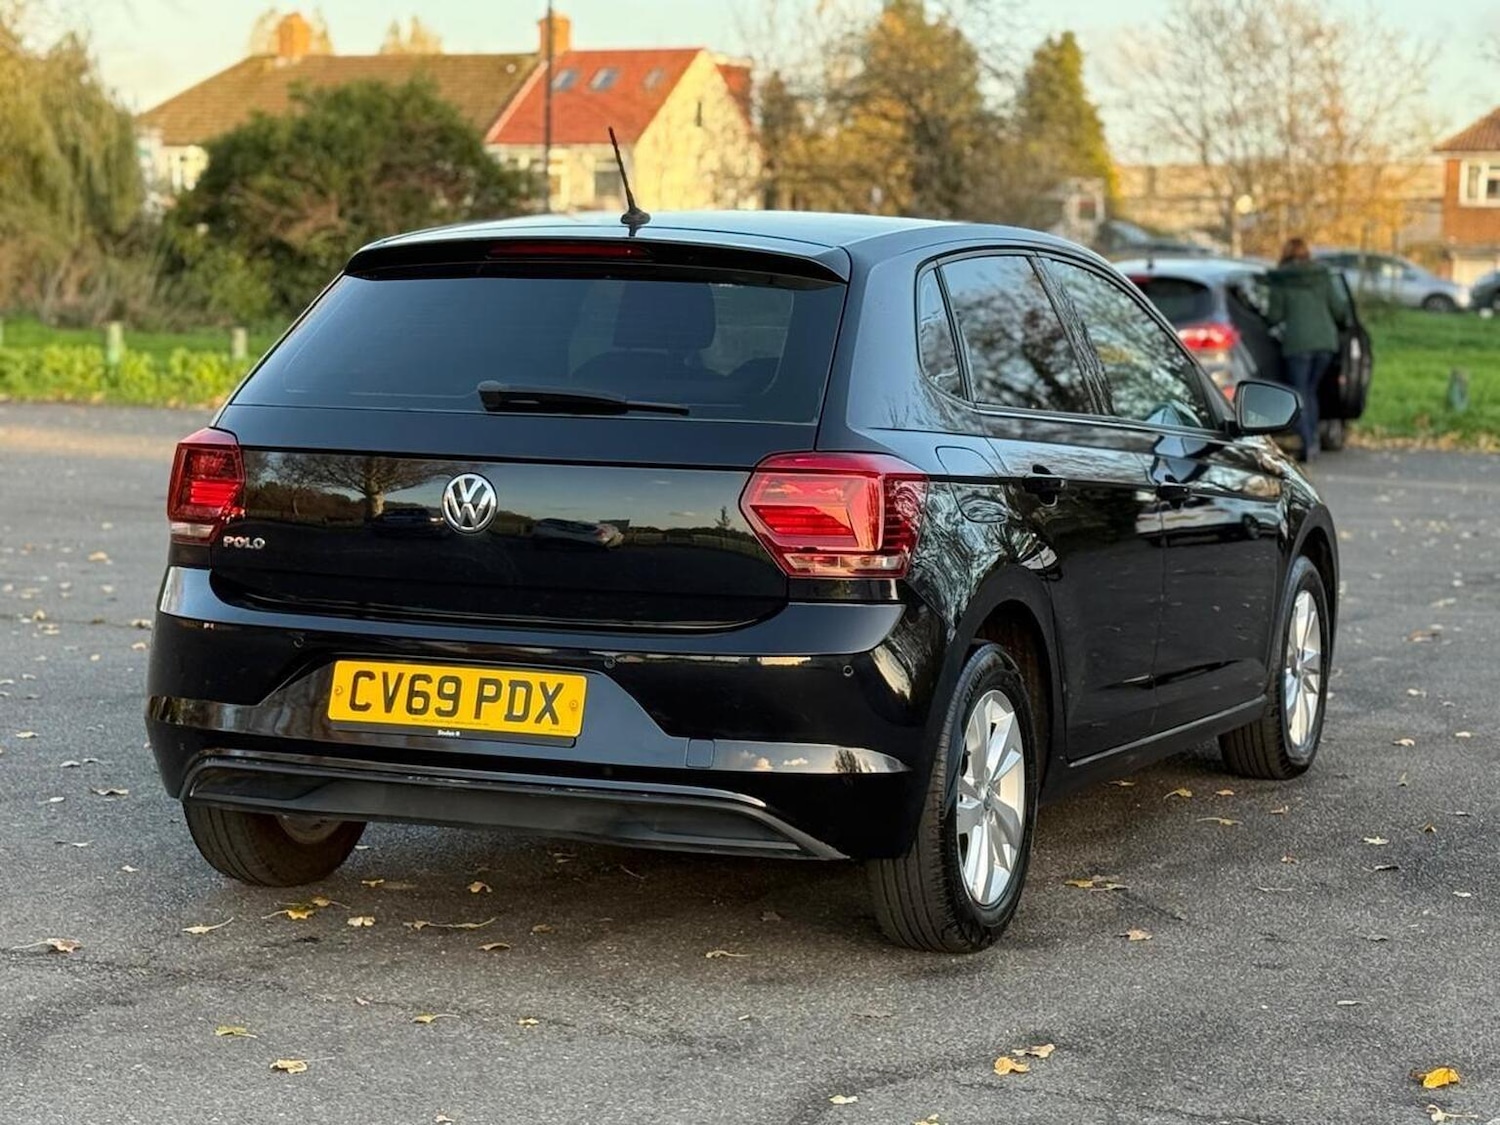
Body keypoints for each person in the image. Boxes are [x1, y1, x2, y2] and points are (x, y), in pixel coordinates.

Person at [1266, 238, 1351, 463]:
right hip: (1325, 342)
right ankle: (1312, 438)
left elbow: (1274, 316)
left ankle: (1307, 441)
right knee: (1311, 391)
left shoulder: (1281, 279)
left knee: (1299, 392)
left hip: (1297, 343)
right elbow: (1339, 309)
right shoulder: (1323, 276)